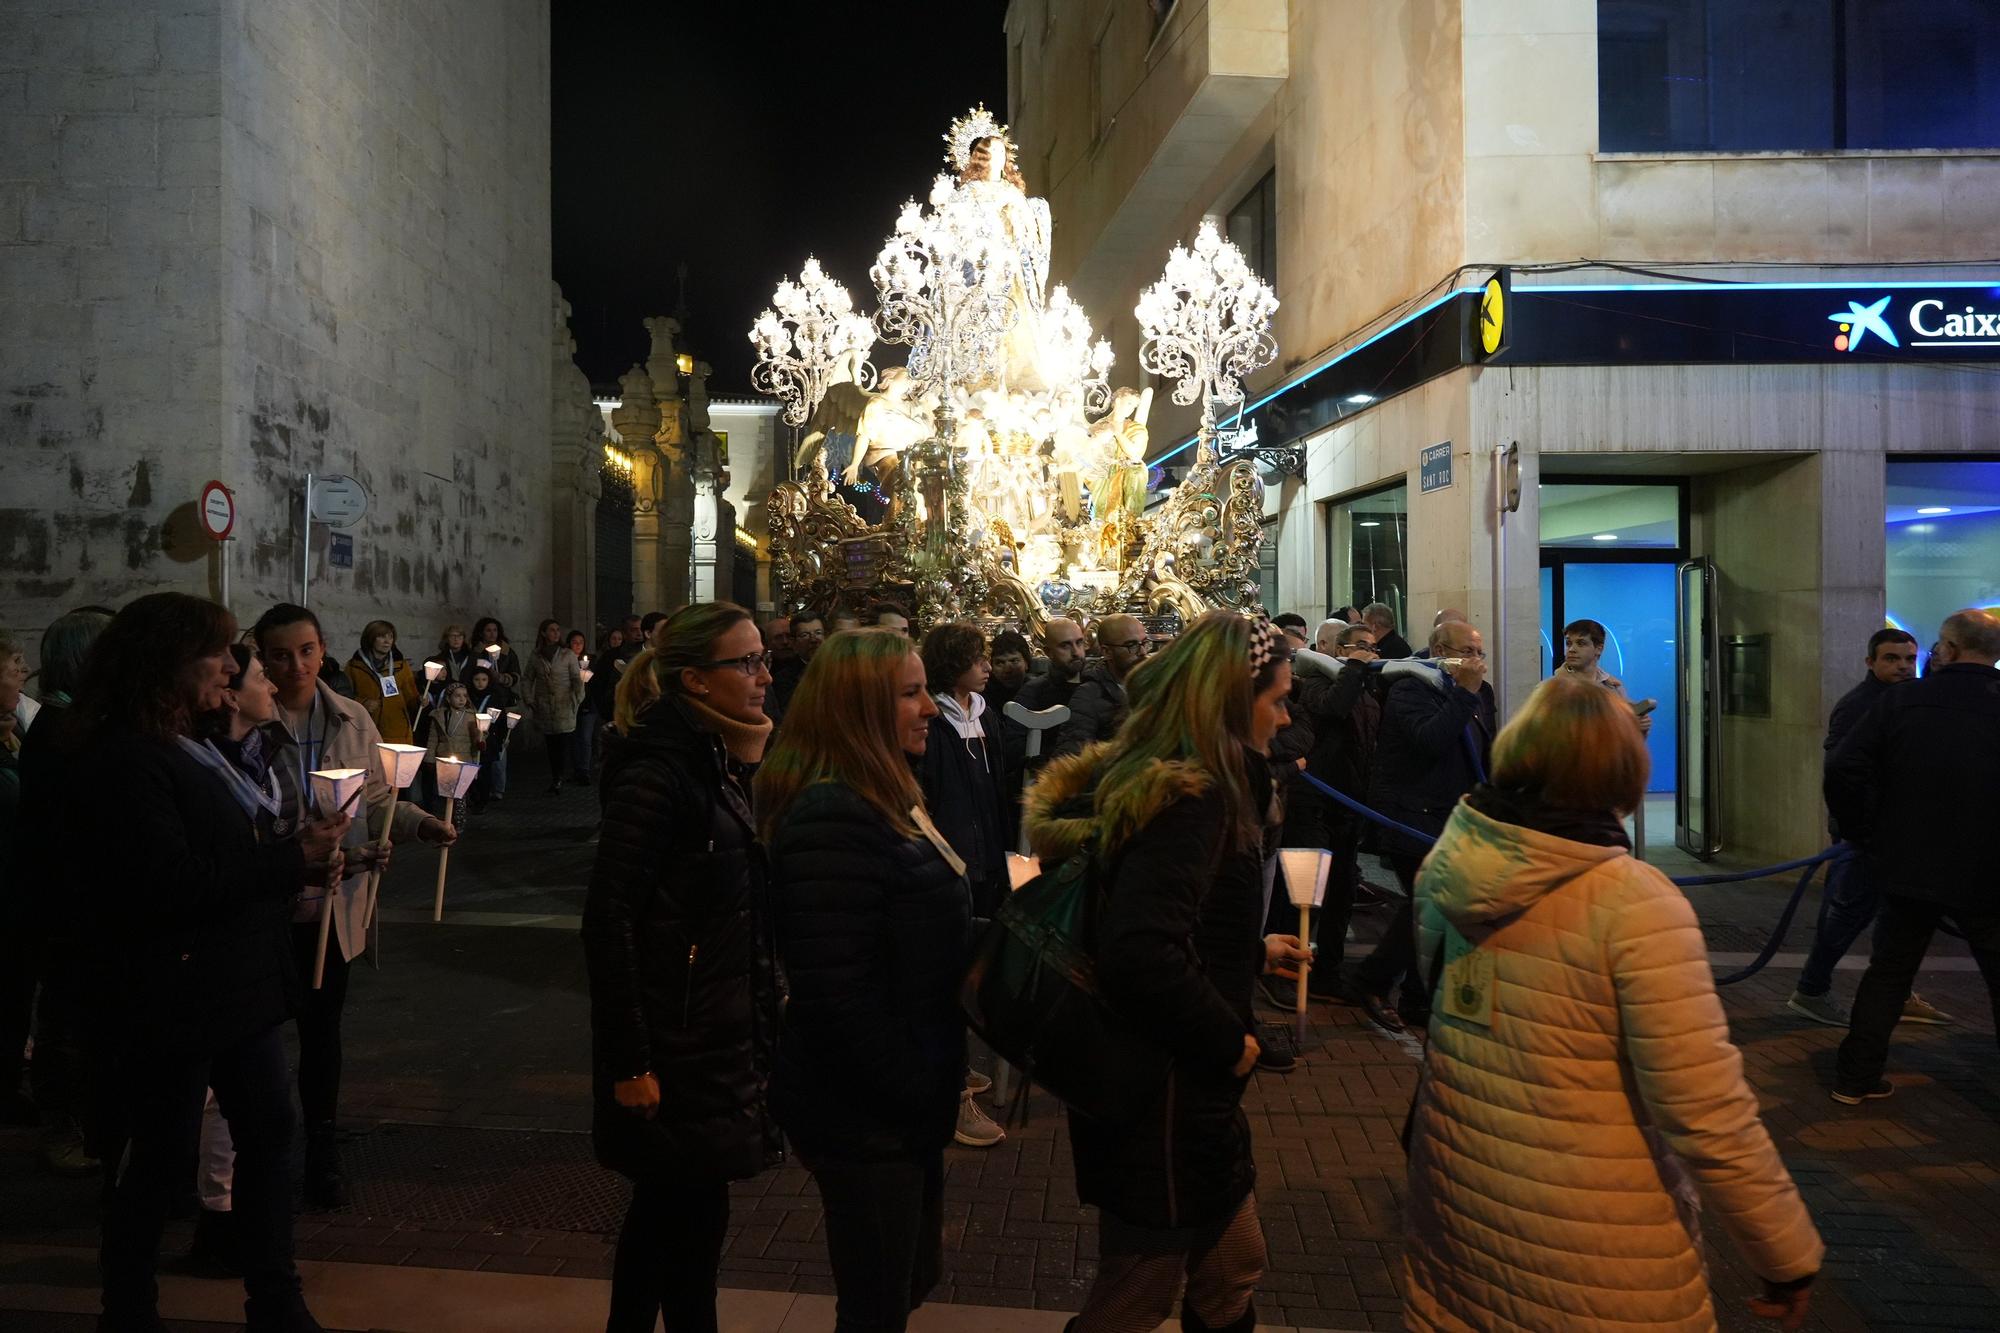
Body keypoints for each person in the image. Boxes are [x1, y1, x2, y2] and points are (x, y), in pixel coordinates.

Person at [1402, 674, 1823, 1331]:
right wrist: (1786, 1248)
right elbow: (1704, 1108)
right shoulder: (1635, 904)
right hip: (1598, 1249)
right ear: (1623, 771)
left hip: (1462, 1205)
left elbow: (1432, 1005)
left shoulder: (1453, 863)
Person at [1024, 612, 1306, 1333]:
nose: (1286, 714)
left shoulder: (1200, 782)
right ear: (1231, 703)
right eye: (1278, 698)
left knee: (1233, 1266)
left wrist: (1248, 949)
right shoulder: (1198, 795)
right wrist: (1228, 1039)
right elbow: (1141, 949)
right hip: (1165, 1092)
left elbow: (1171, 917)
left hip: (1180, 1091)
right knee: (1137, 1294)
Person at [84, 593, 350, 1333]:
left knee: (270, 1134)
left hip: (240, 988)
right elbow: (171, 882)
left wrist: (297, 861)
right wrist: (291, 859)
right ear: (170, 663)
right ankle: (128, 1308)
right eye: (221, 653)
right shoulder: (129, 758)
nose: (236, 667)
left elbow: (232, 848)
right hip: (176, 996)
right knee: (163, 1158)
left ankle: (277, 1297)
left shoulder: (188, 744)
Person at [755, 629, 972, 1332]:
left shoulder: (887, 793)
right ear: (858, 708)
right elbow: (833, 991)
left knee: (909, 1276)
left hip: (902, 1097)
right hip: (866, 1108)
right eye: (908, 693)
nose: (930, 708)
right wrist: (914, 1086)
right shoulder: (832, 812)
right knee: (877, 1302)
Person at [583, 602, 782, 1333]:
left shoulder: (712, 756)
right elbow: (609, 919)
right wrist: (633, 1058)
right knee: (682, 1225)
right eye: (746, 661)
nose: (764, 675)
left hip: (707, 1034)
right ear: (696, 680)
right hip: (676, 1043)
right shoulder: (661, 773)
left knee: (679, 1220)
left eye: (762, 657)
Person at [255, 603, 456, 1207]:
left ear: (323, 650)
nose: (296, 665)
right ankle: (250, 1157)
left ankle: (322, 1152)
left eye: (307, 651)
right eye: (281, 655)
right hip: (266, 907)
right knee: (255, 1042)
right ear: (261, 658)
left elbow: (373, 795)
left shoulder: (351, 717)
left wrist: (419, 824)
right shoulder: (247, 722)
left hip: (332, 906)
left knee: (322, 1037)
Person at [1828, 609, 2000, 1106]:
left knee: (1889, 971)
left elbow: (1844, 768)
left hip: (1909, 861)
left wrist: (1863, 830)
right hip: (1988, 868)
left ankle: (1855, 1077)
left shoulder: (1904, 701)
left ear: (1945, 648)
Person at [1788, 628, 1945, 1028]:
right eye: (1892, 659)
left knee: (1896, 920)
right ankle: (1812, 989)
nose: (1903, 667)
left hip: (1896, 834)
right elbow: (1841, 772)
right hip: (1865, 838)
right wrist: (1857, 828)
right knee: (1846, 915)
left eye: (1909, 659)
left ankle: (1898, 994)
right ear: (1870, 662)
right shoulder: (1859, 705)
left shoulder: (1908, 700)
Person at [1347, 618, 1494, 1032]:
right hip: (1413, 815)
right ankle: (1373, 979)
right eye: (1467, 652)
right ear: (1438, 648)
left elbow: (1486, 749)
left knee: (1438, 906)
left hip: (1455, 815)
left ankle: (1417, 996)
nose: (1475, 662)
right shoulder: (1411, 687)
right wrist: (1464, 694)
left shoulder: (1479, 692)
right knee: (1428, 902)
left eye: (1479, 652)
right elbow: (1431, 740)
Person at [14, 607, 111, 1172]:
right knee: (66, 1015)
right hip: (66, 901)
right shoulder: (61, 730)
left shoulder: (75, 723)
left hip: (70, 897)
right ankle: (63, 1127)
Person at [1284, 624, 1382, 1000]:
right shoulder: (1312, 682)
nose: (1368, 653)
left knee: (1341, 891)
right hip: (1315, 804)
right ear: (1328, 647)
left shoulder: (1367, 687)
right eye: (1359, 647)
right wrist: (1353, 669)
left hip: (1349, 803)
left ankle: (1328, 972)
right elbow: (1334, 708)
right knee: (1306, 894)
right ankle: (1290, 969)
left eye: (1371, 648)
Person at [1050, 613, 1148, 759]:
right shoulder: (1088, 695)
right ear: (1107, 652)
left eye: (1145, 643)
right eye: (1131, 645)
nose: (1143, 652)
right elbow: (1071, 757)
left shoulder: (1155, 686)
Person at [1556, 617, 1654, 735]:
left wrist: (1639, 727)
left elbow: (1628, 743)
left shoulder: (1614, 688)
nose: (1571, 649)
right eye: (1568, 643)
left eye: (1581, 643)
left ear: (1598, 649)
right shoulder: (1552, 689)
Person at [525, 618, 586, 794]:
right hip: (545, 705)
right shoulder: (536, 655)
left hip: (564, 703)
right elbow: (528, 678)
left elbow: (576, 678)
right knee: (551, 743)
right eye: (551, 630)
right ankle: (555, 776)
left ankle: (561, 775)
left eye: (557, 630)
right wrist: (529, 699)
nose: (556, 633)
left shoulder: (567, 655)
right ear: (544, 633)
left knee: (562, 741)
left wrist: (577, 697)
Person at [345, 620, 419, 744]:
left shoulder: (401, 666)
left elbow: (411, 698)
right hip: (365, 731)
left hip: (396, 732)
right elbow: (344, 698)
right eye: (381, 636)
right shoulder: (354, 667)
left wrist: (420, 701)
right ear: (370, 639)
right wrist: (363, 703)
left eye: (390, 637)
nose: (387, 641)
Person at [768, 612, 823, 719]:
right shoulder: (783, 679)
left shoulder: (838, 670)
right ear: (794, 642)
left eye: (818, 633)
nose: (813, 640)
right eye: (805, 635)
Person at [566, 629, 598, 785]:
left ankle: (584, 771)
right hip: (570, 705)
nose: (578, 645)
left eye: (581, 642)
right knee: (573, 739)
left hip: (587, 705)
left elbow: (596, 681)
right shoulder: (565, 660)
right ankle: (576, 769)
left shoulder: (591, 660)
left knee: (585, 738)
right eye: (574, 642)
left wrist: (586, 676)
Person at [470, 617, 522, 693]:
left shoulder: (507, 651)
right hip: (481, 694)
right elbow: (470, 670)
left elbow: (516, 674)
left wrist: (503, 679)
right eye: (488, 630)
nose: (492, 634)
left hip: (504, 695)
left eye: (495, 630)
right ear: (481, 633)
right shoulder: (476, 652)